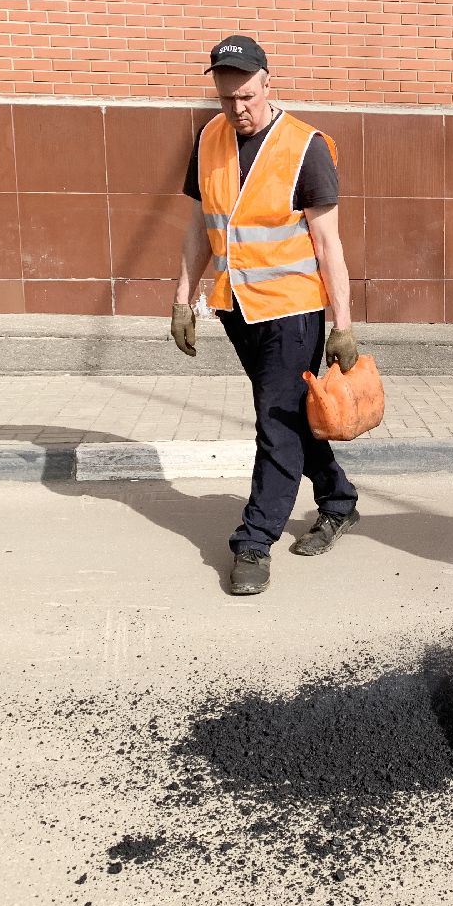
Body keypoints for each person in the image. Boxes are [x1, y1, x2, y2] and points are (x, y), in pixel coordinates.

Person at [170, 35, 361, 596]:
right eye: (227, 99)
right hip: (237, 307)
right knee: (293, 417)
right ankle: (339, 503)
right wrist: (184, 298)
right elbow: (200, 225)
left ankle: (255, 540)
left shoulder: (307, 147)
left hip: (294, 310)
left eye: (247, 96)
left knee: (274, 422)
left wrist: (343, 324)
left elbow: (329, 245)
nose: (238, 109)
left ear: (267, 82)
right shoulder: (208, 139)